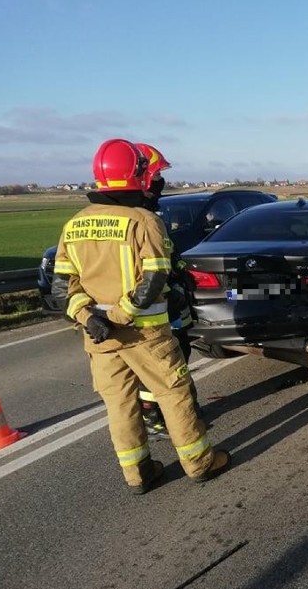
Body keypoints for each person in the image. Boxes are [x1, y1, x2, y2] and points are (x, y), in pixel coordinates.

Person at [51, 138, 230, 494]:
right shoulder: (143, 220)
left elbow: (61, 287)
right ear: (138, 176)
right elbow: (154, 278)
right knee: (173, 392)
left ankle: (138, 474)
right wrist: (119, 315)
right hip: (144, 333)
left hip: (98, 337)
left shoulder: (75, 224)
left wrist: (90, 319)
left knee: (120, 404)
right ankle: (199, 463)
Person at [134, 143, 200, 439]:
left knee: (181, 352)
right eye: (157, 174)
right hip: (151, 307)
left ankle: (184, 406)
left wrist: (181, 276)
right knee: (156, 366)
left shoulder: (150, 213)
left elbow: (166, 255)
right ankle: (153, 415)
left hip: (170, 301)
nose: (161, 181)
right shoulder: (137, 217)